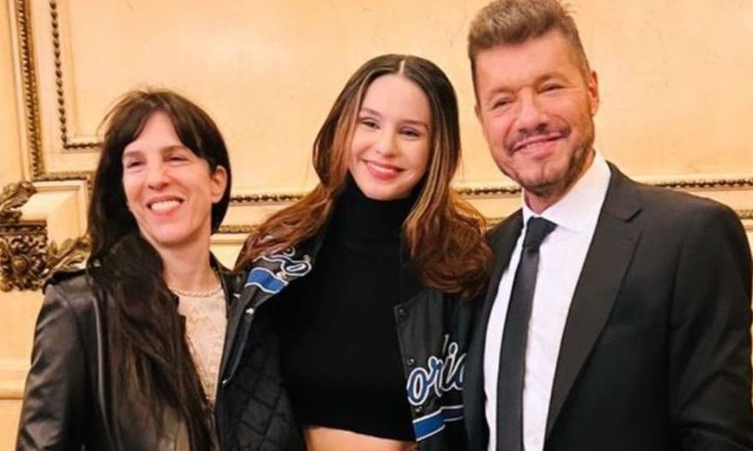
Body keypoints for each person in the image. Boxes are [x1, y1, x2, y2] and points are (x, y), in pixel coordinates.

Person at [462, 0, 753, 451]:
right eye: (502, 102)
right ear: (482, 119)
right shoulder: (484, 257)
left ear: (592, 91)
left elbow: (718, 439)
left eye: (550, 88)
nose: (530, 118)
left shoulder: (688, 238)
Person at [16, 90, 301, 450]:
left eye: (175, 158)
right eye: (135, 164)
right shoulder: (81, 307)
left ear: (217, 181)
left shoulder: (259, 308)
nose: (156, 178)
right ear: (123, 191)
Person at [236, 54, 491, 451]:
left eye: (410, 132)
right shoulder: (278, 252)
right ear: (343, 126)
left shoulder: (464, 267)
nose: (385, 147)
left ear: (437, 148)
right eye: (369, 123)